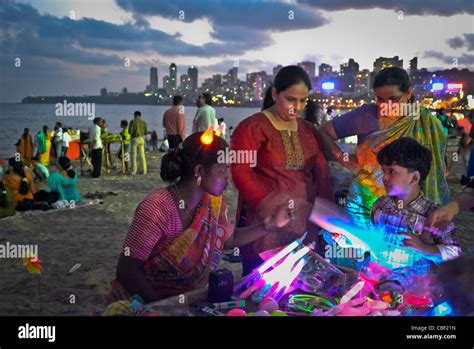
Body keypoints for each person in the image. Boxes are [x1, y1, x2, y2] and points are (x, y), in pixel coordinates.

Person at [110, 132, 293, 303]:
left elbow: (230, 238)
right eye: (222, 170)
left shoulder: (214, 203)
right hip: (143, 302)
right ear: (199, 171)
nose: (229, 177)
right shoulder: (157, 209)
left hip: (186, 301)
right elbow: (127, 271)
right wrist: (163, 308)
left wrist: (271, 224)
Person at [231, 65, 334, 275]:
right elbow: (241, 173)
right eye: (290, 99)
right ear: (275, 93)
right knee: (261, 292)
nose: (296, 107)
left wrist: (331, 218)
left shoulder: (309, 131)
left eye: (302, 101)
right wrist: (269, 201)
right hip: (264, 226)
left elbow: (321, 178)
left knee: (302, 292)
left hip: (305, 228)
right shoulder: (251, 128)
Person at [319, 67, 449, 227]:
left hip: (411, 211)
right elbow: (324, 132)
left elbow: (440, 165)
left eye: (393, 99)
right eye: (380, 99)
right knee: (359, 247)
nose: (385, 106)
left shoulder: (425, 121)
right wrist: (347, 162)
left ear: (408, 93)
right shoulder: (366, 115)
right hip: (365, 201)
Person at [370, 138, 461, 273]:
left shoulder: (434, 215)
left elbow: (455, 253)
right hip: (377, 277)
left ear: (414, 178)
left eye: (392, 171)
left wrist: (425, 248)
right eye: (383, 171)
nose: (384, 178)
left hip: (415, 287)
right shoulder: (380, 205)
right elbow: (370, 236)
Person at [129, 111, 148, 176]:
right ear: (140, 115)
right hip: (141, 139)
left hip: (134, 139)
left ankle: (134, 171)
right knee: (142, 155)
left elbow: (130, 132)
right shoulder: (144, 122)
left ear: (135, 115)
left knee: (133, 156)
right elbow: (146, 132)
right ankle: (144, 170)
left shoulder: (132, 121)